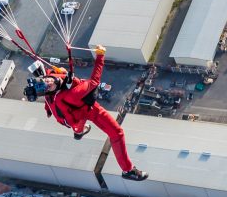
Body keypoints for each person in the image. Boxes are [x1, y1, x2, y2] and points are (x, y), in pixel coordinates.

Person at [28, 46, 149, 181]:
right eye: (48, 85)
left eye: (46, 80)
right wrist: (100, 56)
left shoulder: (50, 77)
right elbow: (94, 81)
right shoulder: (70, 95)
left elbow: (49, 77)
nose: (49, 82)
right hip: (85, 112)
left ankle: (79, 132)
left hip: (74, 113)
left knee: (82, 128)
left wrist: (61, 74)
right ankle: (128, 171)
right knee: (117, 133)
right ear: (50, 92)